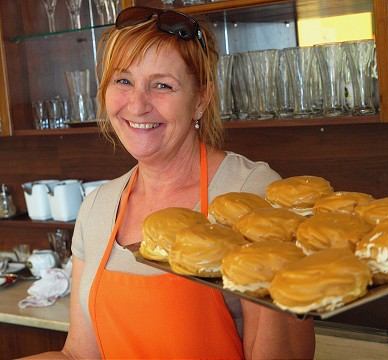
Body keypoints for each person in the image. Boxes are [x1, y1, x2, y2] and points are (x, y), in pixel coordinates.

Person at [28, 6, 315, 359]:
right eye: (123, 81)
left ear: (201, 99)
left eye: (162, 85)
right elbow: (78, 354)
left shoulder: (251, 195)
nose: (137, 104)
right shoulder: (98, 206)